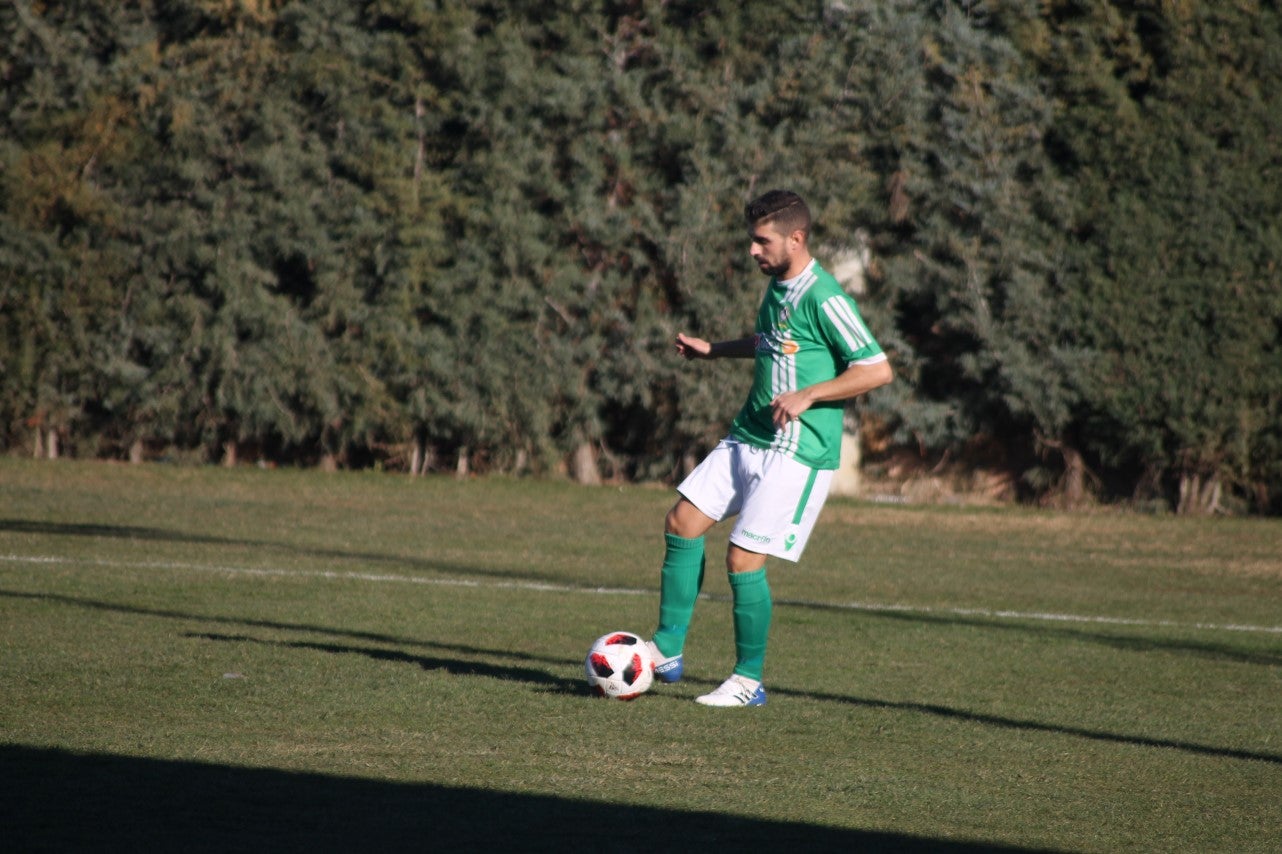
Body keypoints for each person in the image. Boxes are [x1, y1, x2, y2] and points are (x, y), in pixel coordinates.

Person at [647, 189, 893, 707]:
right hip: (750, 434)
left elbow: (876, 368)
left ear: (796, 239)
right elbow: (773, 343)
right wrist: (715, 350)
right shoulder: (780, 287)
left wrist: (810, 394)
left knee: (743, 559)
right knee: (682, 522)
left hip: (798, 450)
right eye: (752, 241)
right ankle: (667, 650)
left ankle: (747, 680)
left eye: (763, 241)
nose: (754, 251)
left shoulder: (825, 296)